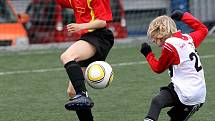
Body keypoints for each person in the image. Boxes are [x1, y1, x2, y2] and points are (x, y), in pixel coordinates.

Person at [140, 10, 208, 121]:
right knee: (157, 101)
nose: (153, 39)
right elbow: (203, 30)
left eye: (154, 35)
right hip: (195, 92)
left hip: (188, 94)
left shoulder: (170, 44)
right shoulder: (187, 39)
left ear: (162, 31)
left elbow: (158, 68)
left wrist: (148, 54)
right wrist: (184, 16)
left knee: (157, 102)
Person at [55, 0, 114, 121]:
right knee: (71, 92)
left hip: (100, 36)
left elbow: (102, 22)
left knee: (67, 56)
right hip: (88, 38)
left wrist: (81, 26)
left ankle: (82, 94)